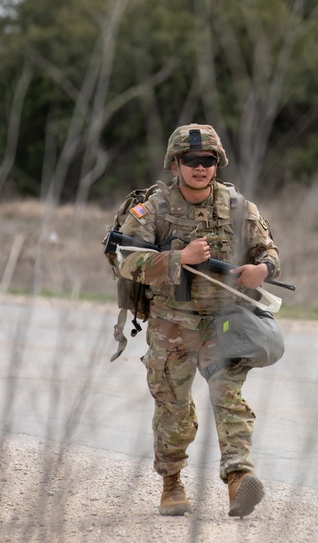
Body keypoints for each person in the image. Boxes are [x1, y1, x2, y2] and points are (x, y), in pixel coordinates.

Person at [116, 123, 281, 518]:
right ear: (176, 164)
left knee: (228, 395)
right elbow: (125, 260)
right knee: (173, 409)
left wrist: (263, 269)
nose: (200, 167)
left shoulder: (238, 207)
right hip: (171, 324)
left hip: (222, 322)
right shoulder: (153, 209)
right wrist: (179, 259)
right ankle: (171, 482)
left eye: (208, 160)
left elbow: (269, 251)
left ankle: (239, 478)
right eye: (191, 160)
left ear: (217, 164)